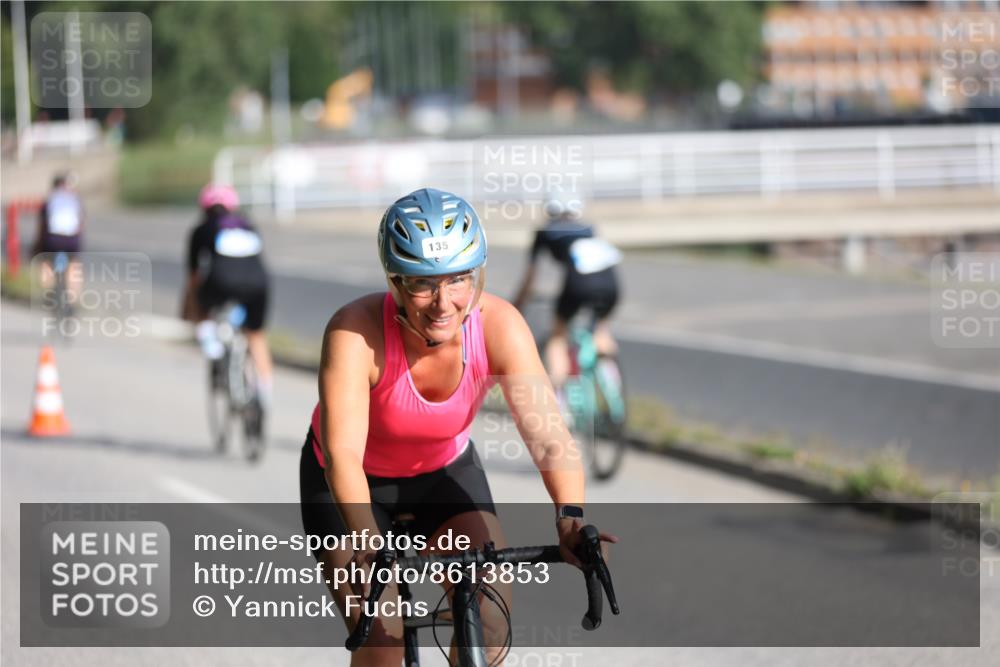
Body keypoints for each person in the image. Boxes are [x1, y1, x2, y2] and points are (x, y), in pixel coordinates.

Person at [299, 188, 616, 666]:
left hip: (442, 475)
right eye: (423, 284)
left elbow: (549, 436)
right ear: (396, 282)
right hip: (354, 487)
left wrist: (569, 516)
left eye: (458, 280)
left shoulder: (499, 326)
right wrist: (368, 542)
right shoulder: (354, 332)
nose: (443, 303)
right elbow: (343, 456)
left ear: (477, 275)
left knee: (490, 623)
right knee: (382, 641)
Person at [512, 195, 622, 388]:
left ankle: (557, 398)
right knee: (601, 332)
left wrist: (518, 304)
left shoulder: (544, 232)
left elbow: (530, 277)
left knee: (557, 338)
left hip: (578, 285)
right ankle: (613, 384)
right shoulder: (588, 228)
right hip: (611, 283)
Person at [181, 183, 273, 406]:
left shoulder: (202, 229)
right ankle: (265, 393)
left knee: (200, 301)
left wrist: (190, 308)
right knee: (256, 335)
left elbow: (193, 275)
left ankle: (209, 339)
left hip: (221, 283)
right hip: (258, 284)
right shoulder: (248, 224)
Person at [34, 172, 85, 300]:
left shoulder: (50, 200)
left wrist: (38, 245)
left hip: (53, 239)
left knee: (45, 261)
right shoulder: (75, 199)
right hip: (72, 240)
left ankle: (47, 293)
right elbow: (81, 224)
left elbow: (43, 226)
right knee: (73, 265)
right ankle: (72, 298)